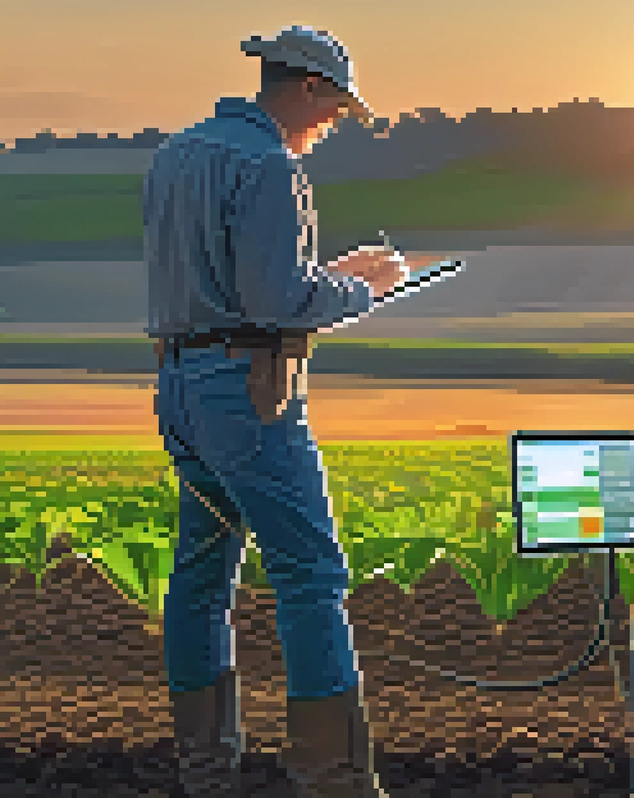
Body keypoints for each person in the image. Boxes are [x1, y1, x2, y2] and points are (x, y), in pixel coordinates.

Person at [145, 24, 423, 798]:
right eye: (334, 107)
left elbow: (224, 283)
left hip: (178, 388)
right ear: (306, 87)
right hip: (247, 392)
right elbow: (276, 300)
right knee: (311, 573)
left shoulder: (177, 155)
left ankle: (207, 772)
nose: (333, 123)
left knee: (201, 574)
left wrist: (314, 279)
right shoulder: (269, 165)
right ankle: (332, 778)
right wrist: (365, 286)